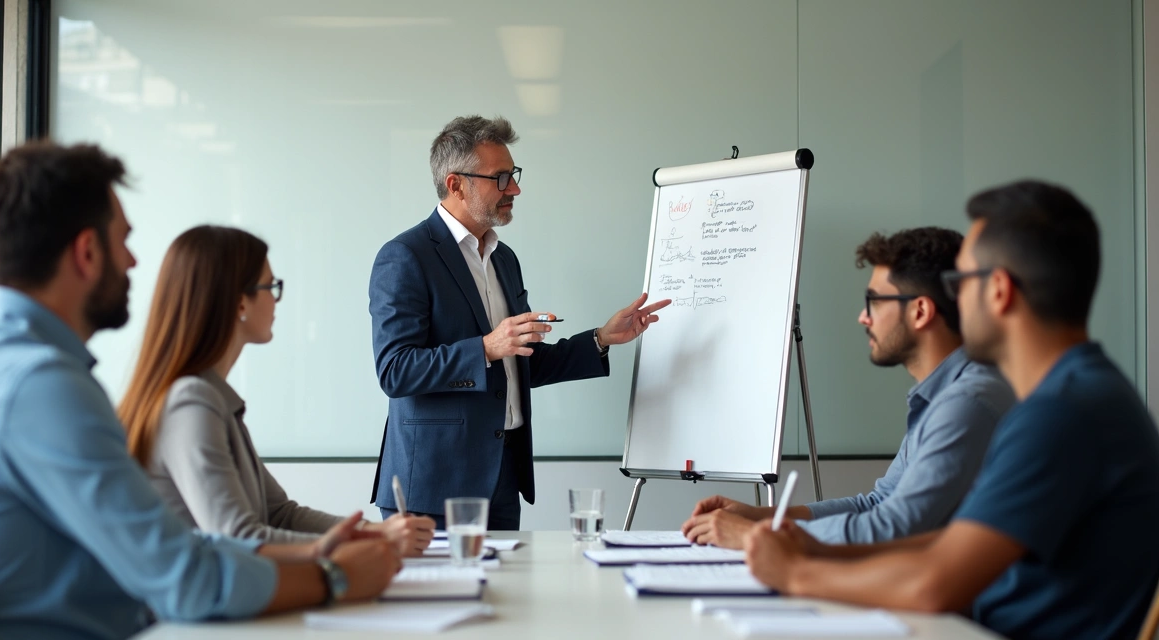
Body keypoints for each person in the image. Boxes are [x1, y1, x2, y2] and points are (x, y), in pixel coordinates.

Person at [0, 141, 400, 640]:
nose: (134, 260)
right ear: (87, 252)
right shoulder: (38, 386)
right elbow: (185, 579)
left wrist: (313, 553)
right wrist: (332, 576)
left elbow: (180, 548)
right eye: (124, 240)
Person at [744, 180, 1159, 640]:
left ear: (998, 291)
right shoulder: (1077, 395)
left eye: (961, 282)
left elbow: (933, 584)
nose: (953, 301)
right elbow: (951, 542)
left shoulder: (1059, 415)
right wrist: (807, 549)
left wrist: (795, 573)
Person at [368, 115, 671, 530]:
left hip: (501, 478)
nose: (515, 188)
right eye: (501, 178)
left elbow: (520, 363)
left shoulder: (503, 259)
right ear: (456, 184)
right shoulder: (405, 256)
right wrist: (486, 347)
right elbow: (395, 371)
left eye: (514, 175)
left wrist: (601, 338)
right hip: (432, 490)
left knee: (502, 597)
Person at [682, 227, 1014, 547]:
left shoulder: (967, 403)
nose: (863, 317)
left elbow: (895, 527)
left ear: (920, 311)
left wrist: (754, 536)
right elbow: (878, 502)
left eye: (875, 302)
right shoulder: (942, 395)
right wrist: (762, 518)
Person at [118, 225, 435, 557]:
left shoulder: (211, 397)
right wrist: (376, 542)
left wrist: (377, 529)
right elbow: (240, 538)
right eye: (270, 286)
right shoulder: (191, 403)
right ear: (240, 302)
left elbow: (280, 514)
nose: (276, 298)